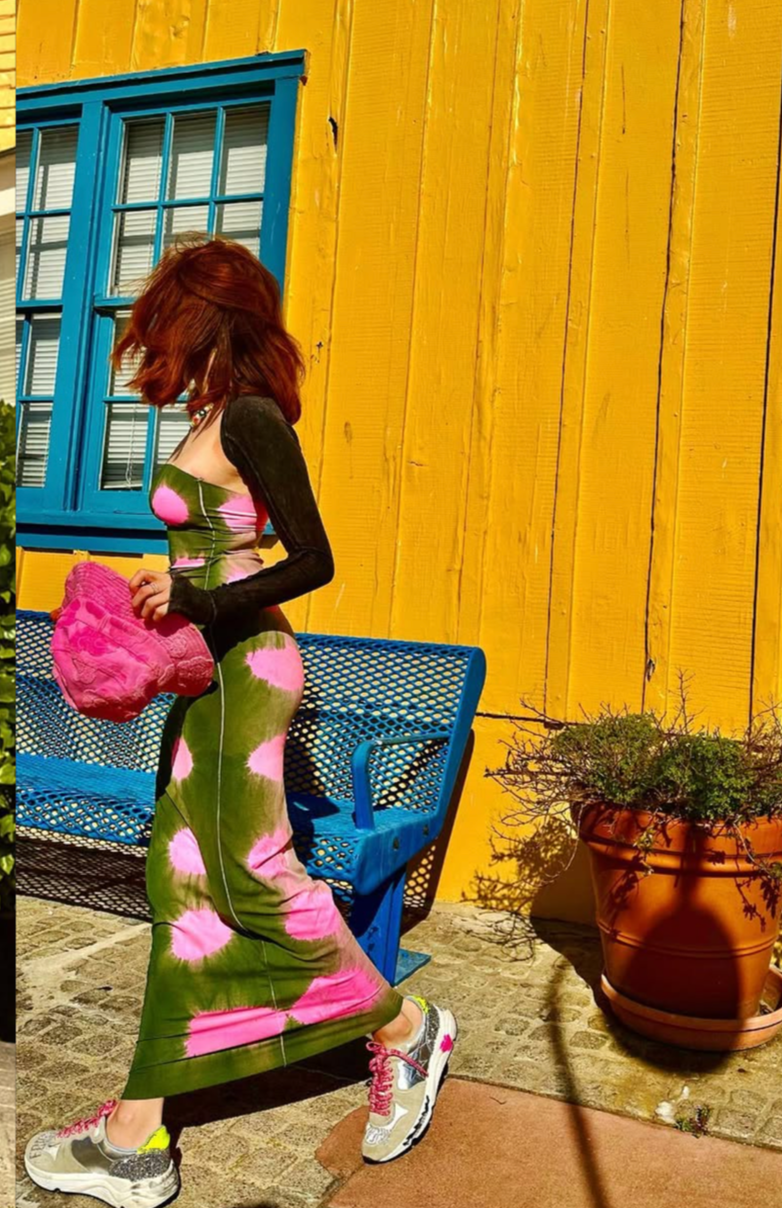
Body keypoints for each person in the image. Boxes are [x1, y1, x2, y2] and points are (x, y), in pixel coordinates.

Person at [24, 235, 457, 1208]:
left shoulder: (253, 415)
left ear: (203, 317)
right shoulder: (211, 414)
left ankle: (405, 1029)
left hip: (247, 668)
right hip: (203, 666)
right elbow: (216, 549)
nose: (152, 342)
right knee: (180, 876)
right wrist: (169, 590)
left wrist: (200, 599)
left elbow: (312, 558)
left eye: (164, 319)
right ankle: (138, 1130)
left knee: (253, 876)